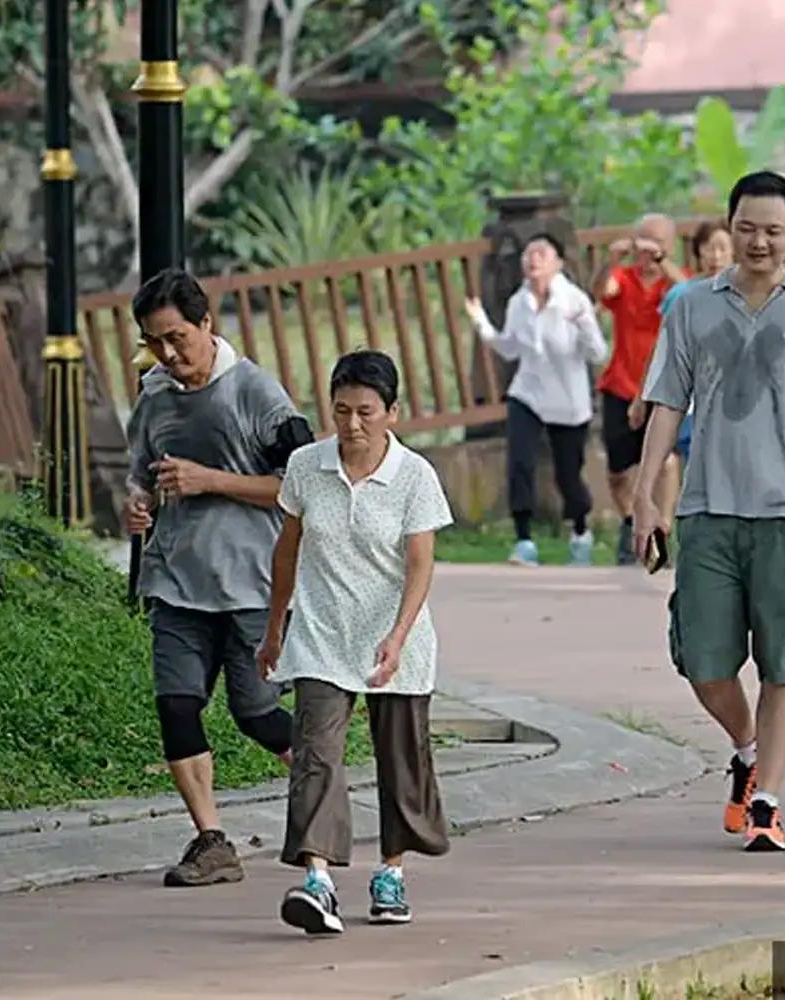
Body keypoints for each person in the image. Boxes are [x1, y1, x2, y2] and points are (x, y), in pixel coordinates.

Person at [634, 171, 785, 853]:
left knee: (784, 663)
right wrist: (648, 496)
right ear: (727, 228)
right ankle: (747, 750)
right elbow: (666, 403)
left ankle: (767, 798)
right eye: (747, 228)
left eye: (773, 230)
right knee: (703, 660)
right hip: (709, 507)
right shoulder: (693, 307)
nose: (759, 241)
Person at [122, 267, 315, 887]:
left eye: (179, 337)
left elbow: (304, 489)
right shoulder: (152, 396)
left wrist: (213, 480)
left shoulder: (257, 393)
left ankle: (321, 788)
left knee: (256, 713)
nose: (170, 354)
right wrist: (134, 503)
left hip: (252, 583)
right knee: (176, 707)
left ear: (208, 324)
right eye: (156, 343)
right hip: (176, 578)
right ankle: (211, 842)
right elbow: (138, 473)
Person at [257, 349, 455, 936]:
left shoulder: (415, 476)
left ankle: (390, 873)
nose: (352, 424)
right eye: (341, 410)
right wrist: (274, 627)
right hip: (322, 632)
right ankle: (317, 880)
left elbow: (420, 566)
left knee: (401, 760)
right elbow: (287, 550)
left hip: (396, 638)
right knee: (316, 752)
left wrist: (396, 636)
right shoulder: (304, 467)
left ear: (392, 411)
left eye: (366, 411)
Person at [464, 234, 608, 566]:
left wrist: (585, 324)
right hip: (527, 393)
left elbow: (598, 352)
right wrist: (482, 322)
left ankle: (581, 533)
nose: (533, 260)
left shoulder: (574, 301)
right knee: (520, 463)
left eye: (541, 253)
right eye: (528, 254)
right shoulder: (519, 302)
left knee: (568, 475)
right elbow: (510, 348)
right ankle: (524, 540)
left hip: (568, 402)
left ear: (558, 262)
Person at [592, 212, 688, 564]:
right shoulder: (625, 277)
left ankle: (663, 528)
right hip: (619, 383)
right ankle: (632, 522)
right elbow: (603, 291)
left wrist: (664, 263)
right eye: (643, 239)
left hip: (660, 385)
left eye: (656, 241)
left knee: (665, 460)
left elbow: (689, 291)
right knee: (618, 469)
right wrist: (612, 260)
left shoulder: (674, 287)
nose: (647, 249)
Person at [654, 221, 733, 462]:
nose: (716, 256)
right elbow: (663, 348)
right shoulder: (682, 296)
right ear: (699, 251)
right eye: (709, 248)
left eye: (722, 248)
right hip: (693, 400)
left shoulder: (746, 294)